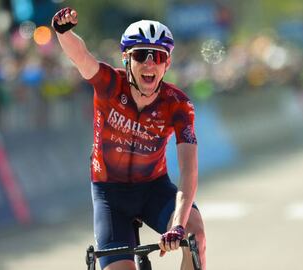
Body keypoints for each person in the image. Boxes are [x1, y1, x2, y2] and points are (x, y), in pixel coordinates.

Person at [51, 7, 206, 270]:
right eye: (141, 55)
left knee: (195, 233)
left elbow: (189, 170)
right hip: (110, 194)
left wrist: (178, 225)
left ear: (167, 63)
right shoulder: (109, 83)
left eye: (157, 56)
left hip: (153, 188)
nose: (149, 63)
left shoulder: (178, 104)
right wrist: (63, 31)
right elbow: (81, 56)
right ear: (126, 58)